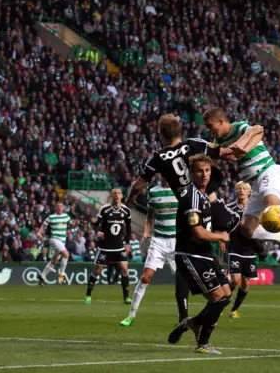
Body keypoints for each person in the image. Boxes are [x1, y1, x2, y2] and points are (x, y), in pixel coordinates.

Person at [124, 114, 232, 324]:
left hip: (186, 206)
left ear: (161, 134)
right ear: (179, 130)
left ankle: (190, 320)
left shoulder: (158, 156)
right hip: (204, 201)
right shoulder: (193, 144)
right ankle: (193, 321)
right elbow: (227, 153)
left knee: (195, 261)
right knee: (215, 284)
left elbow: (138, 185)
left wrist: (130, 199)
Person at [202, 107, 280, 258]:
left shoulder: (238, 127)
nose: (209, 130)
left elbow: (257, 130)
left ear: (221, 122)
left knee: (273, 207)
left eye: (210, 125)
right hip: (253, 184)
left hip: (268, 171)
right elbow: (221, 157)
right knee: (247, 229)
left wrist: (242, 146)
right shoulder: (218, 142)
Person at [167, 154, 232, 354]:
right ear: (191, 173)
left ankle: (193, 322)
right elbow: (197, 232)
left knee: (227, 295)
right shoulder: (191, 196)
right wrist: (220, 236)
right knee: (218, 297)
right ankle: (202, 343)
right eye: (199, 171)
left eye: (207, 170)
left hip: (204, 254)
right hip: (190, 254)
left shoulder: (204, 195)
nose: (204, 175)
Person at [121, 180, 178, 326]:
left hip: (176, 242)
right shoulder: (153, 192)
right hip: (158, 240)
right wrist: (146, 231)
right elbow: (150, 215)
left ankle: (214, 302)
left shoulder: (180, 189)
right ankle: (131, 315)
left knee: (186, 279)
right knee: (145, 277)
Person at [85, 188, 132, 304]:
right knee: (97, 270)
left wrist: (127, 243)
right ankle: (88, 295)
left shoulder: (126, 210)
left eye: (119, 193)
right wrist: (98, 231)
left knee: (125, 269)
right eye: (114, 193)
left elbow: (129, 228)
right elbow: (95, 224)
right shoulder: (104, 209)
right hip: (105, 246)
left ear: (122, 196)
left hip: (119, 246)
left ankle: (126, 297)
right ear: (111, 196)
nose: (116, 195)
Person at [224, 181, 259, 318]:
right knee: (235, 280)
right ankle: (221, 302)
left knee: (246, 282)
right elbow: (223, 224)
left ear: (249, 192)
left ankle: (234, 309)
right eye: (239, 188)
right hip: (235, 247)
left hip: (250, 249)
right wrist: (222, 238)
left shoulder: (255, 208)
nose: (241, 191)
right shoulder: (229, 207)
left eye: (244, 189)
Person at [37, 202, 71, 286]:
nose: (59, 208)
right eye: (58, 206)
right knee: (66, 255)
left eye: (61, 206)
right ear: (55, 208)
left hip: (63, 241)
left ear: (63, 208)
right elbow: (43, 226)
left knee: (54, 260)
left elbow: (71, 224)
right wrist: (39, 233)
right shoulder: (51, 217)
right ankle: (61, 275)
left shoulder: (66, 216)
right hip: (54, 239)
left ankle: (42, 276)